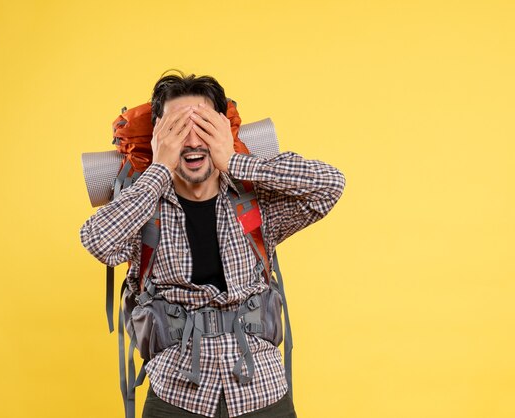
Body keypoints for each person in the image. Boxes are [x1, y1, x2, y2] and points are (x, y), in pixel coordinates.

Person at [80, 72, 345, 418]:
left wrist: (234, 159)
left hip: (261, 391)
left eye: (203, 126)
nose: (191, 140)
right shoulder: (144, 208)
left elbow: (329, 184)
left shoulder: (254, 201)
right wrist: (159, 169)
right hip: (175, 396)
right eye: (176, 128)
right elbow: (97, 240)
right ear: (160, 136)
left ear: (222, 129)